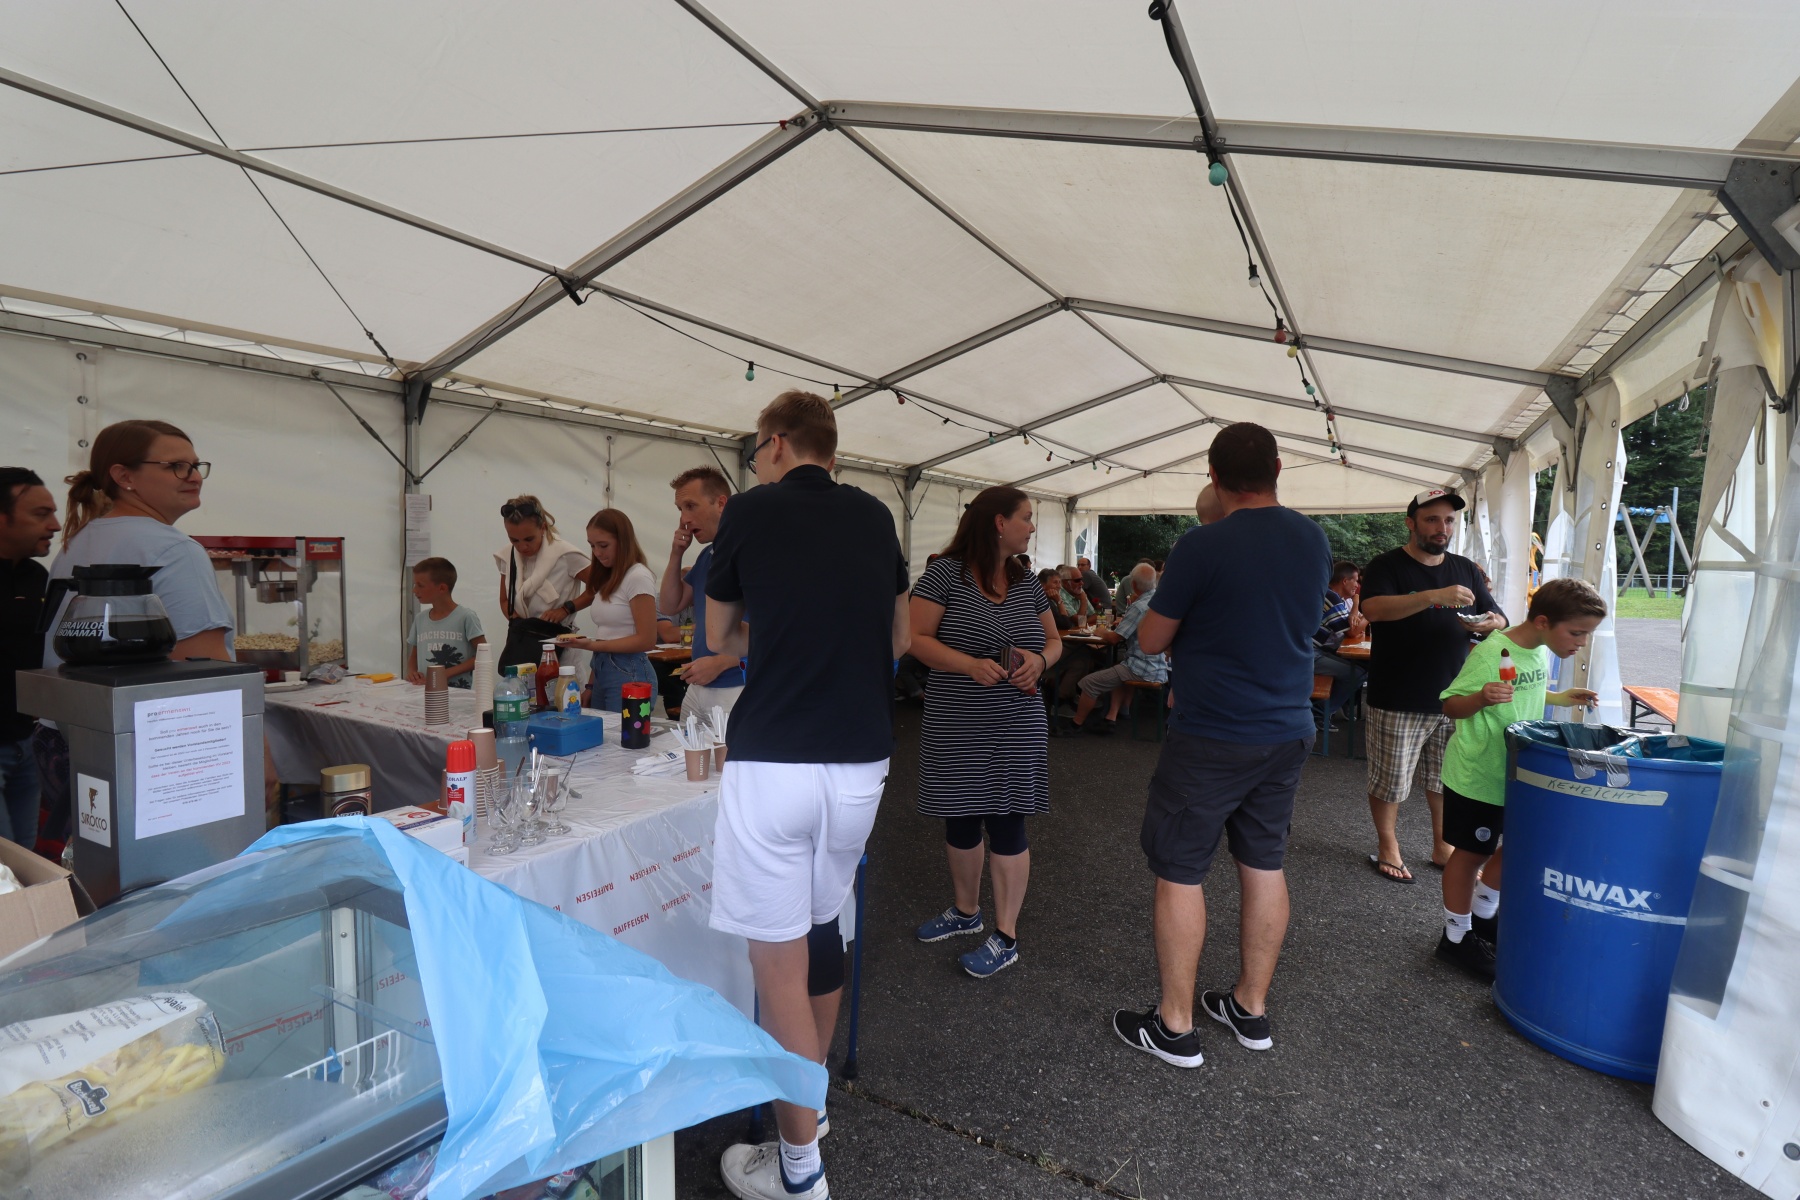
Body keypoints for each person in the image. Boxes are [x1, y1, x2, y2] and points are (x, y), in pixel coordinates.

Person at [704, 390, 909, 1200]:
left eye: (757, 449)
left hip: (775, 760)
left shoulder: (751, 511)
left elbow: (718, 635)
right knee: (823, 929)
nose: (756, 462)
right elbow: (898, 639)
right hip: (860, 763)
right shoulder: (877, 516)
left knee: (778, 967)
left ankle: (798, 1172)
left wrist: (774, 631)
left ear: (779, 443)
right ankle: (809, 1112)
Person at [1111, 422, 1329, 1069]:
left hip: (1213, 731)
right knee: (1263, 864)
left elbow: (1151, 639)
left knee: (1180, 868)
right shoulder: (1312, 539)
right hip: (1288, 727)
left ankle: (1175, 1026)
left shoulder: (1202, 545)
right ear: (1279, 469)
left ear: (1212, 474)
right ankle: (1249, 1007)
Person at [39, 420, 239, 858]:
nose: (194, 476)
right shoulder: (174, 550)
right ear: (123, 476)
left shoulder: (77, 543)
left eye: (196, 465)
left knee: (97, 870)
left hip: (65, 742)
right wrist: (258, 762)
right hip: (151, 757)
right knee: (178, 878)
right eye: (176, 466)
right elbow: (205, 674)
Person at [908, 487, 1061, 978]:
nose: (1032, 527)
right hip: (957, 721)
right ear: (999, 522)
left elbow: (1054, 641)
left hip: (1017, 721)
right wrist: (970, 665)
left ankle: (1006, 936)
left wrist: (1040, 661)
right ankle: (966, 911)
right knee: (960, 818)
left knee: (1008, 822)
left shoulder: (1026, 581)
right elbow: (914, 639)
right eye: (1026, 518)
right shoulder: (944, 575)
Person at [1434, 579, 1603, 977]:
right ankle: (1455, 937)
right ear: (1543, 621)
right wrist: (1480, 697)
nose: (1582, 642)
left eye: (1587, 634)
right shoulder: (1493, 652)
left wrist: (1559, 698)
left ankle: (1483, 915)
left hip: (1516, 773)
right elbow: (1450, 704)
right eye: (1577, 633)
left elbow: (1523, 691)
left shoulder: (1539, 649)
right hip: (1478, 775)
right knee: (1470, 854)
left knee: (1517, 844)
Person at [1359, 489, 1506, 884]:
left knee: (1444, 779)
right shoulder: (1387, 565)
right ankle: (1388, 845)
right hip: (1398, 694)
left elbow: (1498, 616)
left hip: (1454, 696)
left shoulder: (1465, 568)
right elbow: (1372, 609)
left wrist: (1490, 623)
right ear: (1411, 523)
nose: (1443, 528)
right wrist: (1432, 597)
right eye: (1432, 520)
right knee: (1391, 780)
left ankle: (1443, 845)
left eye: (1449, 520)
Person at [658, 466, 746, 719]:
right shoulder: (707, 555)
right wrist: (676, 554)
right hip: (699, 684)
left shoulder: (746, 552)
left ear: (721, 503)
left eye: (691, 506)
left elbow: (771, 628)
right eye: (680, 509)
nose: (685, 518)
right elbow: (670, 605)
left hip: (735, 684)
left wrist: (721, 662)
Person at [0, 469, 58, 848]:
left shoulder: (37, 576)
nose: (55, 525)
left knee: (24, 859)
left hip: (25, 742)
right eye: (40, 514)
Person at [561, 509, 657, 713]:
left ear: (623, 541)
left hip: (629, 671)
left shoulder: (638, 577)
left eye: (603, 545)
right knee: (602, 731)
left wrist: (591, 645)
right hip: (602, 668)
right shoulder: (607, 577)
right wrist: (591, 684)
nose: (597, 552)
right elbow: (605, 632)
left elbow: (647, 640)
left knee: (623, 732)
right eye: (592, 545)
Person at [1056, 563, 1167, 737]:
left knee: (1089, 682)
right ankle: (1112, 717)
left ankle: (1076, 724)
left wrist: (1101, 632)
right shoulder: (1157, 599)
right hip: (1159, 664)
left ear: (1133, 585)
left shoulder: (1138, 606)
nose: (1081, 583)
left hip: (1142, 667)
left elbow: (1115, 639)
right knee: (1117, 667)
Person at [493, 495, 590, 669]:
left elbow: (600, 586)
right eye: (514, 540)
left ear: (543, 528)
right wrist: (522, 625)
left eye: (529, 539)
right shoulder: (507, 556)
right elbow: (504, 600)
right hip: (524, 644)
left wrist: (566, 609)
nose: (522, 546)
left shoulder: (566, 554)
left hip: (560, 644)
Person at [404, 557, 485, 688]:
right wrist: (412, 673)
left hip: (457, 693)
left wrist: (443, 674)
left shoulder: (466, 617)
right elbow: (413, 656)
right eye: (414, 585)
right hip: (425, 691)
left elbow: (483, 656)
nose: (414, 590)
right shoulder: (420, 619)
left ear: (442, 588)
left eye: (420, 585)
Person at [1312, 559, 1369, 723]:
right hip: (1309, 653)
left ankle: (1331, 708)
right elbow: (1352, 631)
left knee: (1361, 667)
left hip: (1314, 650)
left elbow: (1352, 627)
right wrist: (1371, 613)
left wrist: (1356, 608)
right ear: (1345, 581)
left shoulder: (1331, 596)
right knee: (1357, 673)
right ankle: (1320, 713)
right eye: (1355, 580)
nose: (1357, 585)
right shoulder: (1331, 597)